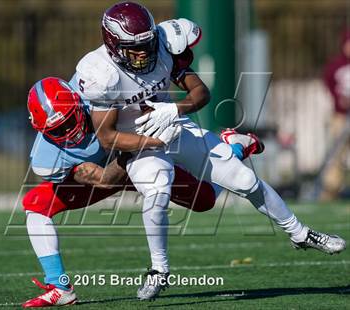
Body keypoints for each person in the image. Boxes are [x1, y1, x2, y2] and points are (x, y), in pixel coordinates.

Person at [71, 1, 346, 300]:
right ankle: (159, 269)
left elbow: (201, 93)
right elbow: (108, 138)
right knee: (157, 193)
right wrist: (153, 141)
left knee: (245, 181)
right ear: (113, 45)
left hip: (174, 125)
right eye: (133, 47)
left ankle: (300, 233)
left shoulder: (163, 46)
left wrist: (172, 109)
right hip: (137, 144)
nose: (143, 53)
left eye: (147, 43)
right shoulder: (100, 73)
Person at [21, 77, 260, 307]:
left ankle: (234, 148)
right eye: (58, 130)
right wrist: (140, 145)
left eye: (70, 121)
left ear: (77, 101)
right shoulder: (45, 158)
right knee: (36, 204)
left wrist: (149, 136)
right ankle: (59, 287)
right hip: (116, 167)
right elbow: (104, 180)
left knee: (205, 200)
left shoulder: (93, 85)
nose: (68, 133)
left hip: (144, 157)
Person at [321, 29, 350, 201]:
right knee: (336, 154)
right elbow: (329, 83)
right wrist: (340, 99)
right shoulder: (336, 65)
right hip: (341, 116)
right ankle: (331, 189)